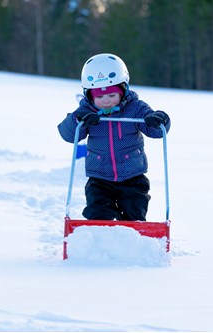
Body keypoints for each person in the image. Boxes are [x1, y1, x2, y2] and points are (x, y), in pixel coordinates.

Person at [57, 53, 171, 221]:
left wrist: (160, 120)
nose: (106, 101)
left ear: (124, 90)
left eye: (112, 95)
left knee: (134, 212)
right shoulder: (87, 112)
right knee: (98, 213)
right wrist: (78, 119)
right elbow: (68, 134)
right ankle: (100, 238)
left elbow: (155, 131)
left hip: (132, 176)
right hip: (99, 177)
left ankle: (136, 240)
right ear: (89, 95)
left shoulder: (136, 108)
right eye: (100, 97)